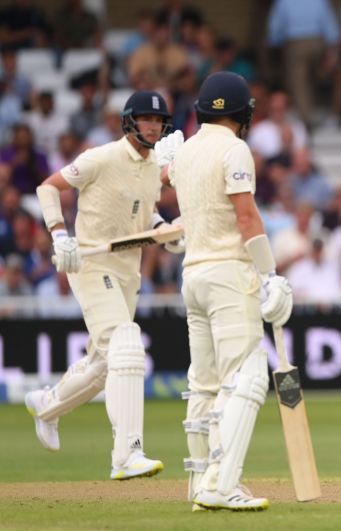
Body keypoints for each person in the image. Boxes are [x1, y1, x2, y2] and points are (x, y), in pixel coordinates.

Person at [24, 91, 179, 480]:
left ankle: (47, 405)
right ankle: (126, 455)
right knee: (127, 342)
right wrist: (60, 235)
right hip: (91, 264)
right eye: (146, 119)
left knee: (104, 363)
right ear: (129, 121)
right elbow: (48, 186)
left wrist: (165, 231)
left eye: (159, 121)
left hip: (129, 271)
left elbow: (146, 212)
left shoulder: (152, 167)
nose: (154, 127)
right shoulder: (101, 157)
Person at [158, 71, 293, 512]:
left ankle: (201, 484)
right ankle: (222, 485)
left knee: (205, 383)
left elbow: (174, 184)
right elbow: (246, 216)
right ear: (243, 114)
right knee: (248, 376)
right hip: (229, 276)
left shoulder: (187, 151)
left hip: (193, 277)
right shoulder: (234, 148)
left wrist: (169, 167)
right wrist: (270, 274)